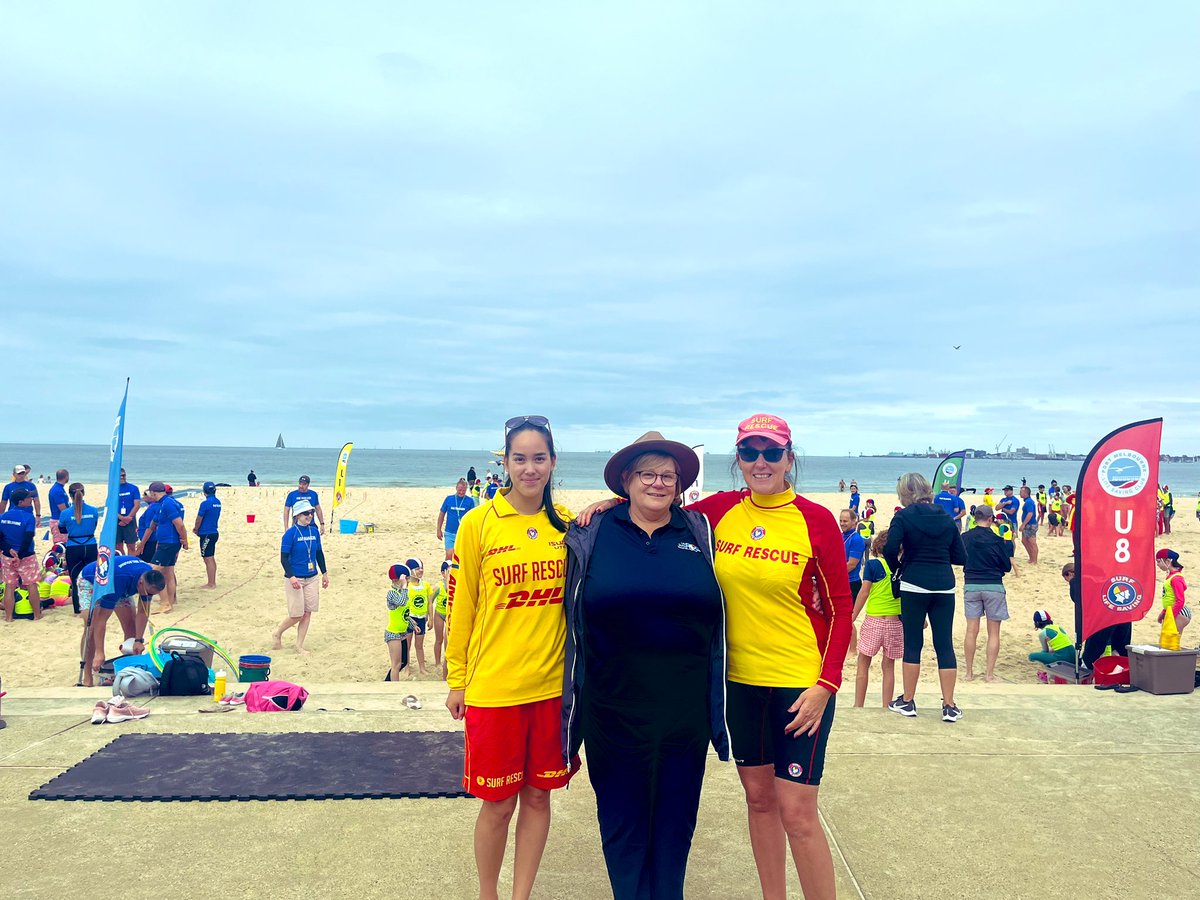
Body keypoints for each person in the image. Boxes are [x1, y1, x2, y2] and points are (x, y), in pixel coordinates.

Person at [578, 414, 851, 900]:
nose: (760, 462)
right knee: (760, 803)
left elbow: (840, 609)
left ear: (790, 457)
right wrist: (612, 504)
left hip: (797, 684)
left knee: (799, 815)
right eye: (750, 453)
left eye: (771, 452)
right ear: (738, 461)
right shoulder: (718, 513)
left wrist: (826, 685)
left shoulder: (816, 520)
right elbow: (654, 503)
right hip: (738, 685)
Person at [563, 432, 725, 900]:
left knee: (675, 826)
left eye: (667, 475)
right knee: (622, 825)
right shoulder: (590, 533)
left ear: (680, 483)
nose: (658, 483)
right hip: (612, 711)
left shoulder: (701, 530)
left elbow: (754, 497)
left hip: (684, 714)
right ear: (627, 481)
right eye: (647, 474)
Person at [445, 416, 579, 900]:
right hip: (494, 689)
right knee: (498, 804)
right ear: (504, 463)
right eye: (519, 458)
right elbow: (464, 606)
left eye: (539, 458)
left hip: (551, 690)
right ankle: (489, 893)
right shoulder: (477, 524)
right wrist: (456, 680)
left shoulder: (565, 522)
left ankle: (521, 895)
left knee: (539, 797)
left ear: (552, 462)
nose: (529, 468)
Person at [884, 472, 966, 722]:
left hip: (914, 583)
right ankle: (949, 705)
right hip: (943, 584)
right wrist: (939, 555)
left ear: (904, 493)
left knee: (913, 643)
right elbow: (961, 557)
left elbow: (889, 548)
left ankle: (908, 701)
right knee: (944, 644)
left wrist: (899, 566)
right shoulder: (945, 516)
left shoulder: (903, 516)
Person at [80, 556, 166, 679]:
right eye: (149, 593)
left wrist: (138, 640)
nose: (149, 596)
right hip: (93, 581)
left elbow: (143, 612)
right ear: (141, 583)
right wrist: (100, 652)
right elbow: (101, 620)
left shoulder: (149, 581)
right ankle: (87, 675)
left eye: (152, 594)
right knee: (91, 628)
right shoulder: (117, 580)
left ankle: (129, 672)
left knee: (131, 628)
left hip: (125, 584)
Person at [852, 529, 902, 708]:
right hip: (895, 622)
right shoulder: (902, 567)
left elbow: (864, 592)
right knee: (888, 666)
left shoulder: (873, 565)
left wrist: (852, 616)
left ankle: (859, 705)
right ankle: (886, 705)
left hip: (874, 619)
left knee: (863, 663)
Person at [961, 505, 1011, 682]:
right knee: (994, 632)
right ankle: (989, 675)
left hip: (972, 584)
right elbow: (1007, 566)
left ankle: (968, 673)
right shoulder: (997, 540)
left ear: (975, 518)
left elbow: (959, 559)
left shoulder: (965, 537)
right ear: (990, 519)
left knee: (971, 630)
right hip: (993, 585)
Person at [273, 499, 328, 654]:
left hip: (312, 576)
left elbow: (318, 553)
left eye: (311, 512)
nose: (309, 515)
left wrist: (324, 573)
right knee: (296, 614)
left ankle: (299, 645)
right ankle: (278, 632)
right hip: (295, 577)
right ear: (297, 515)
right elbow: (283, 558)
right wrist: (291, 577)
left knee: (308, 612)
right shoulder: (290, 534)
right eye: (306, 513)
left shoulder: (314, 531)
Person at [1063, 562, 1131, 669]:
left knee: (1091, 653)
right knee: (1119, 651)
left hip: (1103, 617)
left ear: (1069, 574)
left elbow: (1079, 601)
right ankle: (1120, 676)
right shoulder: (1101, 576)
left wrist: (1072, 581)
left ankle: (1086, 675)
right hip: (1123, 612)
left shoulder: (1077, 581)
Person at [139, 482, 187, 614]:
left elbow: (179, 524)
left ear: (154, 493)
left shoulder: (168, 504)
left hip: (169, 543)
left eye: (150, 493)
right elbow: (152, 526)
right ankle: (169, 602)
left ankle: (165, 602)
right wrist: (142, 543)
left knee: (152, 572)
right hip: (165, 542)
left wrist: (184, 540)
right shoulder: (161, 505)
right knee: (168, 573)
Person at [58, 484, 99, 617]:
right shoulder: (93, 510)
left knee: (76, 579)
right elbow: (94, 525)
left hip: (74, 547)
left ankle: (78, 611)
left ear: (70, 495)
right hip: (90, 545)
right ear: (84, 493)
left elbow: (62, 529)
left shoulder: (65, 513)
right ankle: (93, 607)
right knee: (92, 577)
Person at [0, 489, 39, 621]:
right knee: (31, 584)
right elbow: (28, 538)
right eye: (29, 499)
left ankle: (9, 617)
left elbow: (0, 538)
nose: (31, 500)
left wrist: (9, 549)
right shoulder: (28, 517)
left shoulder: (3, 516)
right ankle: (37, 615)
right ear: (21, 502)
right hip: (26, 556)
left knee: (9, 585)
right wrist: (20, 556)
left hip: (7, 555)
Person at [1154, 549, 1191, 651]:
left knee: (1171, 643)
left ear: (1168, 561)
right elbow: (1169, 599)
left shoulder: (1176, 578)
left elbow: (1180, 600)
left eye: (1158, 561)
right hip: (1173, 610)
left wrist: (1170, 615)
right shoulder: (1170, 577)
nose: (1157, 564)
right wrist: (1164, 612)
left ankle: (1173, 664)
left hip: (1180, 612)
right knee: (1167, 642)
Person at [384, 563, 412, 682]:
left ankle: (387, 682)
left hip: (402, 632)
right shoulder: (392, 593)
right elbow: (401, 602)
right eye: (407, 578)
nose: (409, 581)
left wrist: (412, 623)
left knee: (403, 661)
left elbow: (404, 612)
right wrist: (404, 586)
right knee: (396, 665)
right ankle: (394, 689)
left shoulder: (404, 592)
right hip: (393, 633)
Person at [436, 478, 476, 562]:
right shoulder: (449, 499)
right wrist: (438, 529)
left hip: (463, 533)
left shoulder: (470, 501)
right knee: (449, 554)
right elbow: (441, 514)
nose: (461, 492)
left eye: (464, 490)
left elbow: (473, 518)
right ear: (456, 488)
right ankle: (446, 573)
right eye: (460, 490)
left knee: (461, 557)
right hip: (450, 532)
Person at [404, 557, 432, 677]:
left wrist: (430, 618)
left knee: (419, 645)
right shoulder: (407, 587)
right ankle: (407, 668)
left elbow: (429, 603)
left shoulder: (425, 585)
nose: (421, 570)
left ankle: (422, 667)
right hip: (410, 619)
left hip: (421, 619)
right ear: (410, 571)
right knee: (407, 645)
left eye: (422, 568)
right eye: (417, 568)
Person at [194, 482, 222, 589]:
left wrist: (196, 529)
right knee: (211, 557)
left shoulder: (205, 504)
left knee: (208, 558)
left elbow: (199, 519)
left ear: (204, 491)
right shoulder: (217, 502)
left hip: (207, 533)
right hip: (213, 532)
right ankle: (212, 581)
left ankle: (211, 583)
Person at [841, 509, 866, 601]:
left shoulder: (856, 539)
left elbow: (851, 564)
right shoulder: (841, 535)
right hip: (841, 580)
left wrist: (834, 575)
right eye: (840, 521)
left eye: (845, 521)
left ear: (853, 521)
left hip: (851, 582)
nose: (842, 523)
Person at [115, 468, 142, 555]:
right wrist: (121, 518)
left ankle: (131, 564)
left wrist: (128, 518)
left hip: (130, 520)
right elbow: (111, 506)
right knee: (118, 546)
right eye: (120, 476)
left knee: (131, 546)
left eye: (124, 475)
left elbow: (137, 505)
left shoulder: (133, 488)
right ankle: (123, 562)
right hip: (117, 520)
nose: (122, 477)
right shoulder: (113, 489)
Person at [432, 560, 450, 677]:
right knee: (439, 639)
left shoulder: (457, 583)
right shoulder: (438, 586)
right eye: (448, 571)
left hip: (450, 615)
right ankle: (437, 662)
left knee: (447, 641)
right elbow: (430, 600)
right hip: (439, 613)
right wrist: (428, 616)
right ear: (443, 573)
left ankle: (445, 662)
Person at [48, 469, 70, 546]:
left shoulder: (60, 488)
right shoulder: (57, 490)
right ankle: (60, 559)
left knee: (65, 544)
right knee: (60, 546)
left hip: (60, 519)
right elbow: (62, 509)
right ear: (66, 477)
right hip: (58, 520)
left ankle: (63, 558)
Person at [136, 490, 159, 563]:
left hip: (149, 541)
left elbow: (150, 528)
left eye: (145, 494)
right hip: (150, 540)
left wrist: (142, 544)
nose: (143, 496)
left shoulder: (152, 509)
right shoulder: (152, 507)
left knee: (145, 563)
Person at [1018, 486, 1038, 563]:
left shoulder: (1029, 502)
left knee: (1032, 542)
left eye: (1021, 492)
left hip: (1030, 524)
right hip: (1027, 524)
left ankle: (1034, 560)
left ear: (1025, 493)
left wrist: (1023, 524)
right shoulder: (1027, 501)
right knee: (1024, 541)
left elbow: (1030, 513)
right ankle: (1031, 557)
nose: (1020, 493)